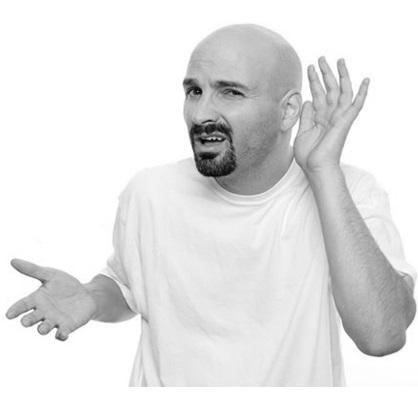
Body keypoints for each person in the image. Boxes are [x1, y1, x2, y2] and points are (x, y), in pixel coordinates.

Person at [6, 23, 417, 386]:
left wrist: (324, 172)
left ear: (288, 110)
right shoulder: (150, 193)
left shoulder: (348, 191)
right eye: (194, 91)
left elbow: (382, 336)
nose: (202, 113)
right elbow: (129, 286)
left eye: (230, 92)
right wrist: (92, 297)